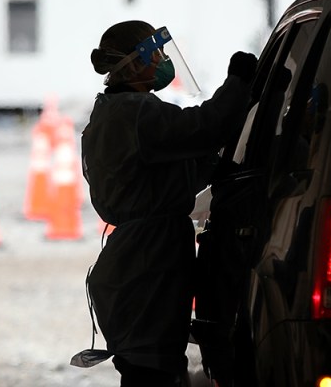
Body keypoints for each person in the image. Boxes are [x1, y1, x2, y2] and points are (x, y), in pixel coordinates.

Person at [70, 20, 256, 387]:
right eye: (156, 54)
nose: (164, 61)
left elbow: (177, 167)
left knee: (154, 363)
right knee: (151, 369)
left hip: (144, 254)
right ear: (135, 63)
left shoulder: (117, 111)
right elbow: (204, 127)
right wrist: (237, 84)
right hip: (148, 259)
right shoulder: (136, 112)